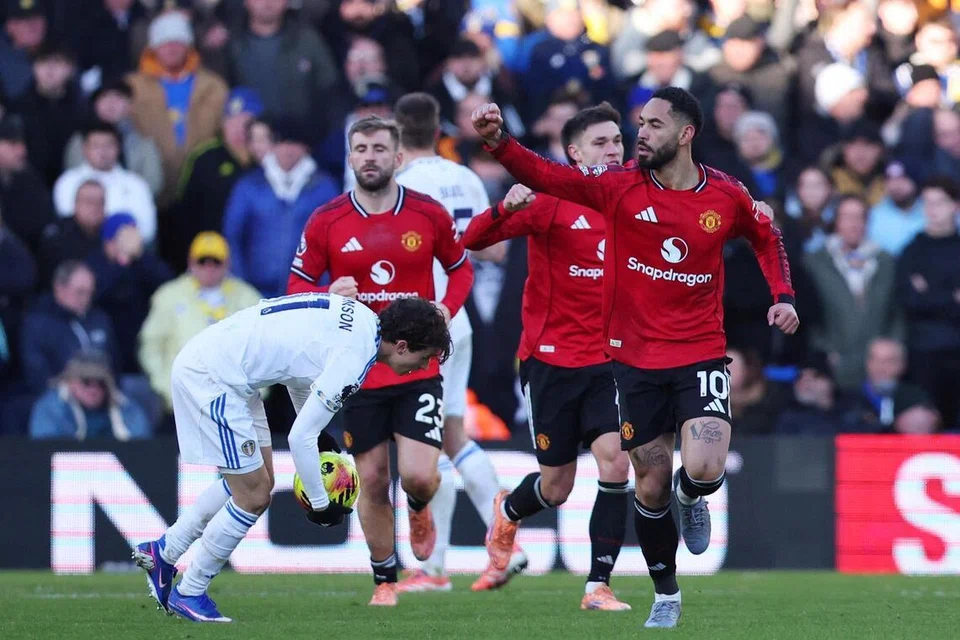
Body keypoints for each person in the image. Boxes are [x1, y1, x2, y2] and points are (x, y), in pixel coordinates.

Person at [472, 87, 798, 628]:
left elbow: (767, 238)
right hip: (626, 364)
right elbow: (547, 176)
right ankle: (665, 593)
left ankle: (686, 502)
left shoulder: (725, 195)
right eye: (636, 124)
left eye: (650, 126)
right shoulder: (616, 188)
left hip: (698, 353)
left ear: (686, 133)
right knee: (640, 482)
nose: (638, 135)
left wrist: (782, 297)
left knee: (701, 465)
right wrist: (499, 142)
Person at [133, 293, 450, 622]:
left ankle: (164, 551)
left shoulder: (361, 320)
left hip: (229, 370)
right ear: (401, 345)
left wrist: (319, 432)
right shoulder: (355, 358)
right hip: (214, 379)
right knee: (252, 495)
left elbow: (300, 371)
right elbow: (300, 438)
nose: (424, 367)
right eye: (425, 357)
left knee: (260, 482)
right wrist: (320, 503)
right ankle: (191, 591)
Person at [287, 116, 474, 606]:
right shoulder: (327, 220)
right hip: (357, 372)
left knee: (417, 474)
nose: (369, 157)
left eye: (378, 149)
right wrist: (327, 292)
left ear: (397, 158)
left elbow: (460, 271)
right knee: (370, 478)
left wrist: (445, 310)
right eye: (360, 149)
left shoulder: (428, 214)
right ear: (350, 158)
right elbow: (294, 288)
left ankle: (418, 505)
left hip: (417, 369)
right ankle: (384, 580)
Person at [462, 102, 632, 609]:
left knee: (616, 462)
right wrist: (506, 209)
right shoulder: (551, 199)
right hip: (552, 361)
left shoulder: (634, 201)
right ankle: (509, 512)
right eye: (601, 143)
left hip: (609, 361)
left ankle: (597, 585)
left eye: (618, 140)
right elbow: (472, 241)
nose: (614, 149)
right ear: (574, 153)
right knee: (556, 487)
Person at [389, 92, 524, 594]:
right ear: (438, 129)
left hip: (417, 326)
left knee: (426, 441)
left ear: (398, 135)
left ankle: (433, 567)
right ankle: (502, 541)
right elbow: (492, 249)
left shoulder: (397, 183)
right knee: (451, 435)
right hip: (458, 317)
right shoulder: (466, 177)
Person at [138, 231, 262, 413]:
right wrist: (167, 387)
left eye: (216, 261)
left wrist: (255, 393)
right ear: (190, 262)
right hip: (183, 399)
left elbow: (263, 350)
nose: (209, 267)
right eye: (202, 261)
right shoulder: (169, 296)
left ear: (227, 263)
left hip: (237, 402)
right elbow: (151, 346)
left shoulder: (248, 298)